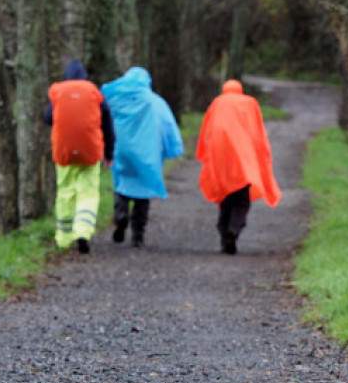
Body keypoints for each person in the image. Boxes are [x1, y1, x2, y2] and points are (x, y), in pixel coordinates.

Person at [196, 79, 282, 254]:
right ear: (240, 90)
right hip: (243, 158)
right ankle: (234, 229)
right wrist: (261, 155)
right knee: (241, 199)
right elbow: (257, 132)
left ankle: (224, 232)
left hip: (221, 158)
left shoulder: (217, 103)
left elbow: (207, 130)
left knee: (225, 198)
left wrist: (206, 154)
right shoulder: (250, 103)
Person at [101, 67, 184, 248]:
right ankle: (138, 235)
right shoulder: (155, 102)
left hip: (120, 150)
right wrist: (173, 149)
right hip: (146, 153)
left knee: (122, 186)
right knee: (142, 194)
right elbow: (167, 125)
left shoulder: (114, 98)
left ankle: (121, 215)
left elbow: (103, 122)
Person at [44, 59, 115, 254]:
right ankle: (83, 231)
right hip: (90, 151)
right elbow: (107, 124)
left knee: (65, 192)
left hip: (63, 151)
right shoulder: (94, 92)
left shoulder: (58, 91)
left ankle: (63, 238)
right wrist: (109, 153)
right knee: (88, 192)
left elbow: (48, 118)